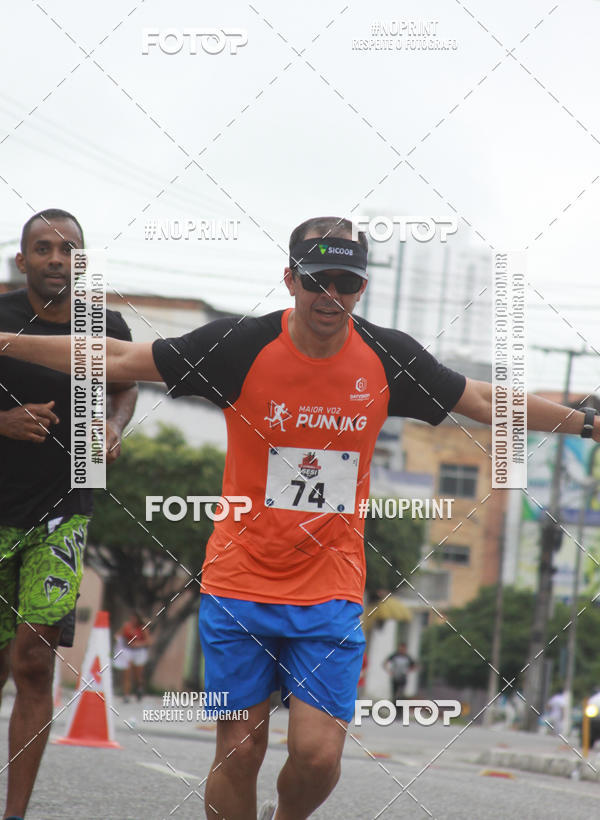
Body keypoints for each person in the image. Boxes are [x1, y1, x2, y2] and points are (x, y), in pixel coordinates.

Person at [1, 215, 599, 820]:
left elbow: (482, 398)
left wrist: (587, 423)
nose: (330, 296)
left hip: (329, 589)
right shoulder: (240, 348)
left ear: (362, 287)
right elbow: (116, 356)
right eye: (317, 280)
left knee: (317, 756)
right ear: (290, 279)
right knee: (240, 750)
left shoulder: (387, 357)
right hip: (239, 582)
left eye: (347, 282)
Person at [0, 209, 137, 820]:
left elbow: (126, 382)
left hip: (64, 511)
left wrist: (112, 424)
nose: (56, 258)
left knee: (33, 662)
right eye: (43, 248)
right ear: (22, 260)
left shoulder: (103, 324)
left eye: (69, 249)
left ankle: (15, 813)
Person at [117, 611, 151, 702]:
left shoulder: (143, 628)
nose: (133, 620)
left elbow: (148, 641)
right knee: (127, 674)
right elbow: (118, 635)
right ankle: (126, 694)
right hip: (128, 651)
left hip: (139, 652)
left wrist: (138, 644)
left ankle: (139, 688)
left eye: (135, 618)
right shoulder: (126, 626)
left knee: (138, 675)